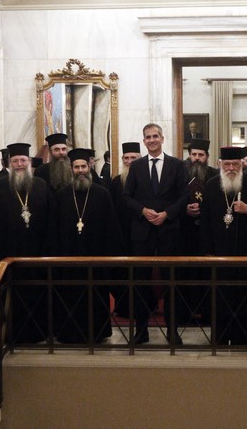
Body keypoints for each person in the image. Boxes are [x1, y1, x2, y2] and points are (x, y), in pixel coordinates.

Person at [0, 142, 56, 343]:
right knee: (10, 298)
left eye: (23, 160)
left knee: (37, 295)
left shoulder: (41, 186)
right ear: (9, 163)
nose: (19, 164)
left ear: (29, 162)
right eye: (15, 161)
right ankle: (10, 335)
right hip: (8, 255)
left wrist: (49, 252)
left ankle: (40, 333)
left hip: (38, 255)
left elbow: (52, 222)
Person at [123, 123, 188, 344]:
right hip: (142, 232)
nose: (151, 140)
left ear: (162, 138)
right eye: (148, 137)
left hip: (169, 231)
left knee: (171, 283)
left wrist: (167, 214)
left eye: (155, 136)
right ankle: (141, 332)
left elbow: (184, 196)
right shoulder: (136, 166)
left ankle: (172, 331)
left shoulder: (176, 165)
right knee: (140, 283)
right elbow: (126, 196)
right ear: (144, 141)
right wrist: (142, 210)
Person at [200, 147, 247, 345]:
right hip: (219, 252)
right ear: (220, 164)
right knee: (220, 295)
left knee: (245, 295)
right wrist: (208, 251)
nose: (231, 168)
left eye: (235, 164)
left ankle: (245, 337)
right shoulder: (212, 185)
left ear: (241, 165)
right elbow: (204, 221)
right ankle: (221, 336)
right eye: (227, 164)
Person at [55, 148, 123, 344]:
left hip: (96, 259)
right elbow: (55, 229)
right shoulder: (62, 195)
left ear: (89, 167)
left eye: (83, 166)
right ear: (71, 169)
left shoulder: (102, 194)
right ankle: (69, 334)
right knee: (70, 298)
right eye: (77, 167)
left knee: (95, 298)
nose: (80, 171)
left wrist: (110, 259)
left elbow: (111, 229)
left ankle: (97, 333)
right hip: (69, 261)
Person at [181, 139, 218, 323]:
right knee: (185, 274)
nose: (197, 158)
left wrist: (204, 210)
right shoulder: (180, 174)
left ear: (207, 157)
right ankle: (185, 314)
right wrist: (184, 209)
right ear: (189, 155)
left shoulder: (215, 176)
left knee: (206, 274)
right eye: (194, 154)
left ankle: (207, 314)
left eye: (201, 155)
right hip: (184, 234)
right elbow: (171, 199)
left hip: (207, 234)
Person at [109, 142, 142, 317]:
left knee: (140, 272)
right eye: (126, 158)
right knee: (122, 273)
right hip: (121, 235)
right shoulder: (116, 182)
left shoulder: (146, 180)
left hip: (142, 234)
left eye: (133, 158)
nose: (129, 161)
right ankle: (123, 307)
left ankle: (143, 307)